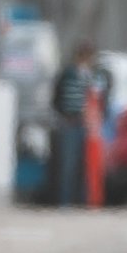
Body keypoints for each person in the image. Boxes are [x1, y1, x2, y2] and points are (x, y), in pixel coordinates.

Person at [50, 42, 100, 205]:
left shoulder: (91, 76)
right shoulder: (68, 74)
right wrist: (64, 114)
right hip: (69, 122)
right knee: (68, 164)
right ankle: (65, 201)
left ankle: (81, 200)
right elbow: (57, 97)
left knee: (82, 165)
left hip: (84, 124)